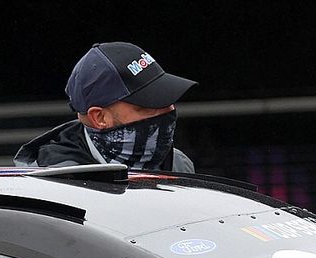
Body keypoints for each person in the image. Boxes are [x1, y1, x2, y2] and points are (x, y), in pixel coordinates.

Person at [14, 41, 197, 172]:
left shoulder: (179, 164)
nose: (168, 111)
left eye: (169, 100)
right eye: (149, 105)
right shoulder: (55, 185)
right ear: (100, 118)